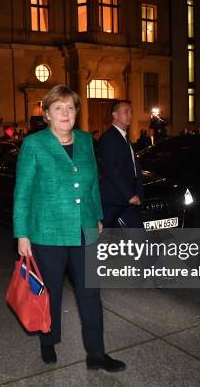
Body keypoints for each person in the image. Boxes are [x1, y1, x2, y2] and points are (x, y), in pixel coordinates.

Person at [14, 85, 126, 372]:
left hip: (84, 228)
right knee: (50, 291)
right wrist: (22, 234)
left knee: (90, 291)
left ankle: (97, 353)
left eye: (70, 108)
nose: (65, 113)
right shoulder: (34, 144)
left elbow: (92, 183)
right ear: (47, 114)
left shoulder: (87, 140)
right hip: (47, 232)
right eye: (58, 108)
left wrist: (97, 216)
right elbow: (23, 191)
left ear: (77, 112)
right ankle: (48, 341)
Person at [98, 100, 143, 229]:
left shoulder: (124, 137)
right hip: (116, 201)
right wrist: (130, 194)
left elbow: (133, 168)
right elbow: (113, 169)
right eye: (126, 112)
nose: (130, 115)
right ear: (115, 115)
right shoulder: (109, 138)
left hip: (125, 200)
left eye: (131, 112)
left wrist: (138, 192)